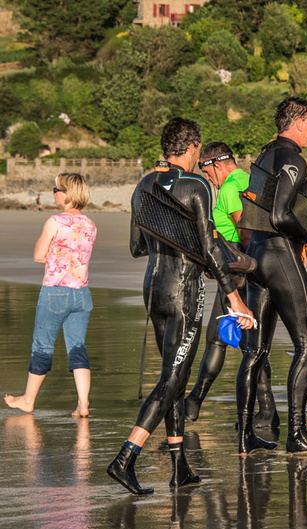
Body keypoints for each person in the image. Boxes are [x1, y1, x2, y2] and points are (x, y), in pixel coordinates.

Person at [107, 117, 254, 495]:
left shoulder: (143, 185)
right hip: (184, 292)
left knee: (172, 375)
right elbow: (208, 248)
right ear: (192, 149)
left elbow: (137, 247)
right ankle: (125, 458)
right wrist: (234, 296)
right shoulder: (196, 185)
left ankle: (179, 465)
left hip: (153, 287)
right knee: (173, 378)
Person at [240, 97, 307, 454]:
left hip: (257, 255)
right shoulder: (294, 158)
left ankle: (244, 436)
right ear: (298, 123)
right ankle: (297, 435)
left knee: (256, 350)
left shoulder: (266, 155)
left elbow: (271, 207)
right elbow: (283, 217)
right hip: (281, 255)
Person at [184, 142, 279, 442]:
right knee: (254, 344)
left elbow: (246, 232)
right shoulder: (252, 180)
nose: (206, 176)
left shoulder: (227, 190)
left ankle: (194, 402)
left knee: (217, 340)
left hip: (237, 272)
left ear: (217, 163)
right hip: (258, 270)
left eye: (205, 169)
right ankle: (269, 412)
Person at [4, 173, 96, 418]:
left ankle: (28, 400)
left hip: (56, 292)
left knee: (42, 345)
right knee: (77, 347)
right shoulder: (90, 224)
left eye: (56, 189)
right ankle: (83, 404)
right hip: (82, 294)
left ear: (66, 193)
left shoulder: (55, 221)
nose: (54, 193)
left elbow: (38, 255)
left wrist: (56, 260)